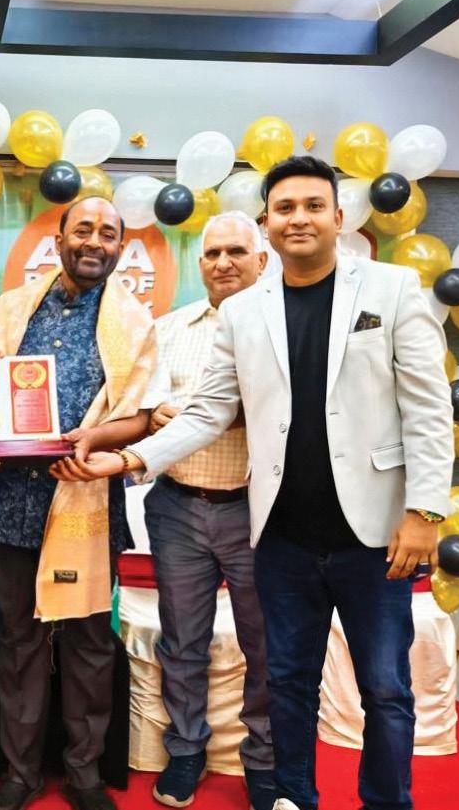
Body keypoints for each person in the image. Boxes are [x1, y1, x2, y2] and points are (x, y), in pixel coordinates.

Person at [58, 156, 454, 810]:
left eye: (313, 206)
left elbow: (428, 409)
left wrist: (425, 512)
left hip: (375, 534)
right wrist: (128, 460)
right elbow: (208, 413)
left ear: (338, 216)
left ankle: (386, 801)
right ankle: (292, 795)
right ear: (270, 222)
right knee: (288, 679)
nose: (299, 218)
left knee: (385, 687)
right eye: (285, 208)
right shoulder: (243, 312)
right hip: (281, 537)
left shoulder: (393, 289)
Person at [0, 196, 159, 810]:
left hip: (88, 499)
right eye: (84, 230)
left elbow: (143, 417)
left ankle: (84, 773)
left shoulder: (135, 323)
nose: (94, 242)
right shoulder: (9, 309)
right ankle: (20, 772)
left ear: (120, 248)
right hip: (11, 504)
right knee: (19, 639)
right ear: (59, 240)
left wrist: (94, 438)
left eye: (108, 233)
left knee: (87, 641)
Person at [141, 212, 275, 810]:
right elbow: (145, 408)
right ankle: (186, 749)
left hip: (257, 513)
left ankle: (265, 760)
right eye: (212, 253)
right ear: (200, 263)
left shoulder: (282, 329)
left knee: (266, 645)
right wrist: (160, 415)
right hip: (178, 507)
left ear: (262, 260)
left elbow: (277, 414)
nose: (223, 263)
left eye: (236, 252)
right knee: (182, 640)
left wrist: (203, 416)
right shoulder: (168, 329)